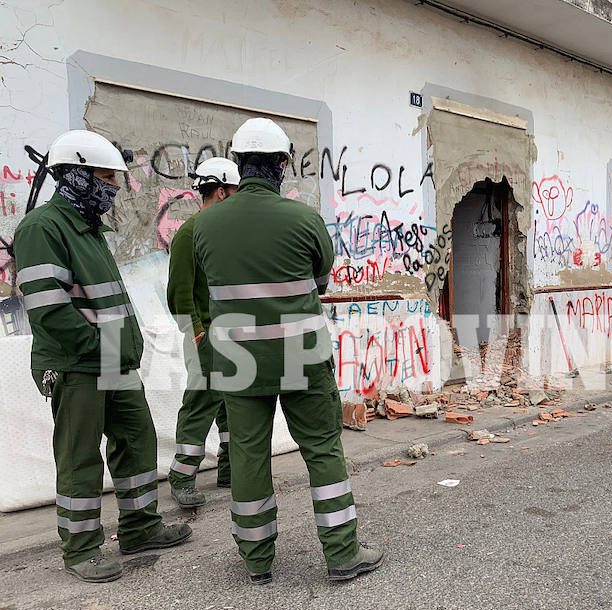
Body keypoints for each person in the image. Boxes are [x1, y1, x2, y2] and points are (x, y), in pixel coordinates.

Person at [193, 118, 383, 584]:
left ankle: (257, 560)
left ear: (238, 165)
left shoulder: (204, 225)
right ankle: (342, 553)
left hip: (239, 358)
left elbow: (209, 282)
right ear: (281, 164)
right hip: (300, 353)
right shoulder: (304, 219)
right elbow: (319, 283)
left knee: (248, 453)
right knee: (321, 449)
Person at [13, 130, 191, 582]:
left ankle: (139, 527)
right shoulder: (42, 228)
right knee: (80, 457)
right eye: (106, 176)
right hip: (76, 363)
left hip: (109, 357)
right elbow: (48, 309)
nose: (114, 186)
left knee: (136, 439)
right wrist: (100, 348)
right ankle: (81, 549)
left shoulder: (89, 229)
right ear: (75, 176)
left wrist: (120, 348)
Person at [166, 158, 240, 508]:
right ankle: (182, 477)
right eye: (236, 192)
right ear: (222, 191)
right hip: (206, 333)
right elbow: (179, 291)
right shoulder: (190, 232)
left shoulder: (231, 230)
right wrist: (196, 334)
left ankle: (229, 470)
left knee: (231, 404)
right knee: (201, 403)